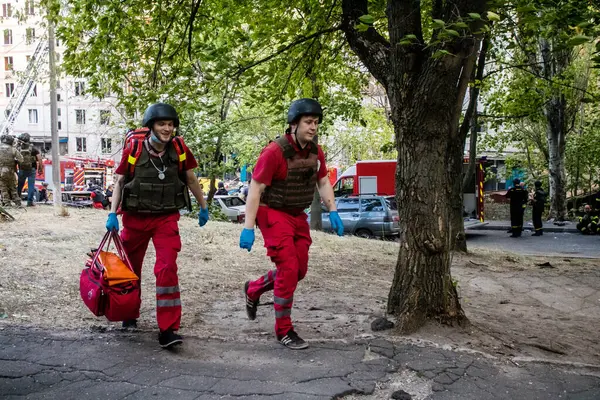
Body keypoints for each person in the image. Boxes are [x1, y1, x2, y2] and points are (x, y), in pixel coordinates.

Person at [239, 98, 344, 350]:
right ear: (294, 124)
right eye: (308, 122)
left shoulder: (315, 152)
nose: (313, 127)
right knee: (288, 268)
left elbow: (322, 182)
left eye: (316, 123)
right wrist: (248, 227)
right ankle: (284, 330)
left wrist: (333, 210)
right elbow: (255, 189)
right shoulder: (274, 152)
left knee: (299, 271)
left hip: (297, 215)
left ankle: (253, 289)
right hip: (272, 212)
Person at [105, 103, 209, 348]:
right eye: (162, 124)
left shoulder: (179, 149)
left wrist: (203, 206)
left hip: (165, 218)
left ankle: (168, 329)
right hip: (135, 218)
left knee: (167, 270)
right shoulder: (134, 148)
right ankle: (129, 313)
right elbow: (120, 182)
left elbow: (191, 179)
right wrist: (112, 214)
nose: (167, 128)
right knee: (131, 270)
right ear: (151, 125)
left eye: (170, 124)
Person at [16, 133, 43, 207]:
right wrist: (41, 168)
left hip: (21, 169)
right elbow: (39, 159)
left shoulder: (19, 148)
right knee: (31, 186)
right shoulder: (33, 148)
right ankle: (29, 202)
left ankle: (17, 201)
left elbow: (15, 159)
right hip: (32, 169)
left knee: (20, 186)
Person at [0, 134, 23, 207]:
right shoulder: (13, 149)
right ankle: (18, 203)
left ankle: (7, 203)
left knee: (3, 187)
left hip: (1, 170)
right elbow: (21, 159)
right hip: (10, 171)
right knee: (12, 187)